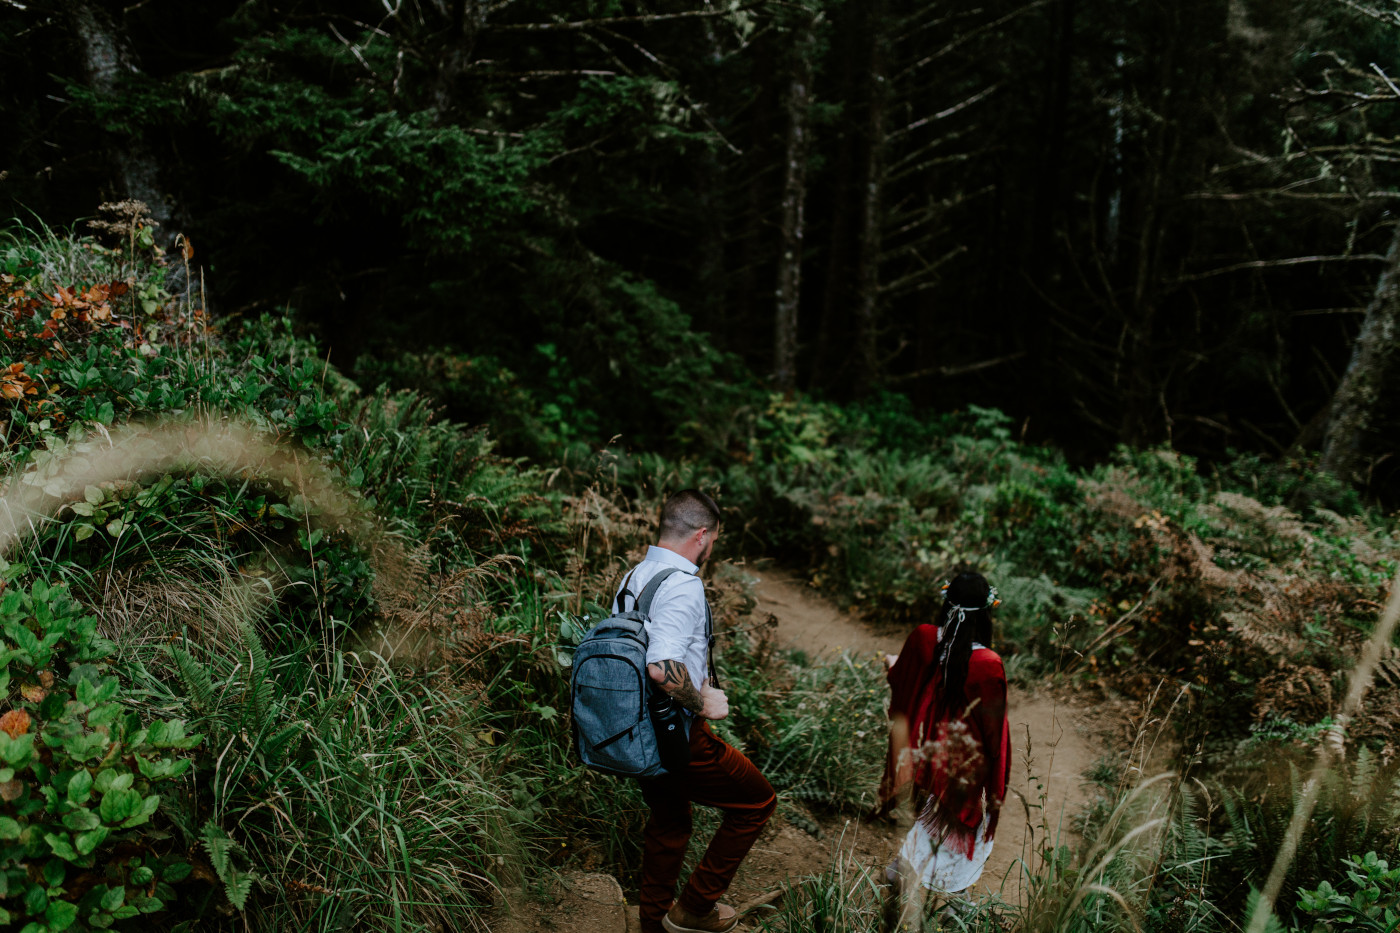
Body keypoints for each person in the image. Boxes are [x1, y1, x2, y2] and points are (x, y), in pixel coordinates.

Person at [613, 489, 776, 933]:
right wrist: (701, 700)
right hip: (675, 734)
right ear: (702, 535)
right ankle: (695, 908)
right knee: (757, 801)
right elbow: (661, 668)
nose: (712, 549)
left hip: (635, 731)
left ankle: (653, 923)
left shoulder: (635, 576)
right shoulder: (682, 584)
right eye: (715, 541)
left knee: (669, 820)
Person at [877, 571, 1011, 913]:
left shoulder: (924, 638)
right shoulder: (988, 663)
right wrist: (994, 768)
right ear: (985, 613)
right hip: (961, 762)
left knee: (927, 815)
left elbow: (904, 676)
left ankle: (901, 871)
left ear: (946, 603)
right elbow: (992, 729)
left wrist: (893, 664)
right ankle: (958, 899)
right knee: (962, 823)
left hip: (922, 753)